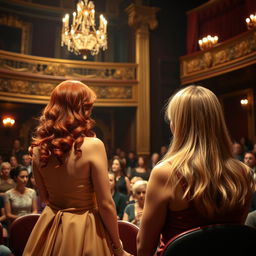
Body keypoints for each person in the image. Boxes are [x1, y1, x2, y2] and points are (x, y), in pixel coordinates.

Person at [136, 85, 255, 256]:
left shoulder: (165, 173)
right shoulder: (243, 173)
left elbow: (144, 249)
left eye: (172, 119)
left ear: (177, 125)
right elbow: (233, 238)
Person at [23, 80, 132, 256]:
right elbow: (105, 204)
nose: (90, 113)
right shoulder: (93, 145)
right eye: (88, 107)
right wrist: (118, 248)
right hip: (86, 228)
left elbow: (45, 198)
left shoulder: (37, 149)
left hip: (50, 227)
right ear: (79, 110)